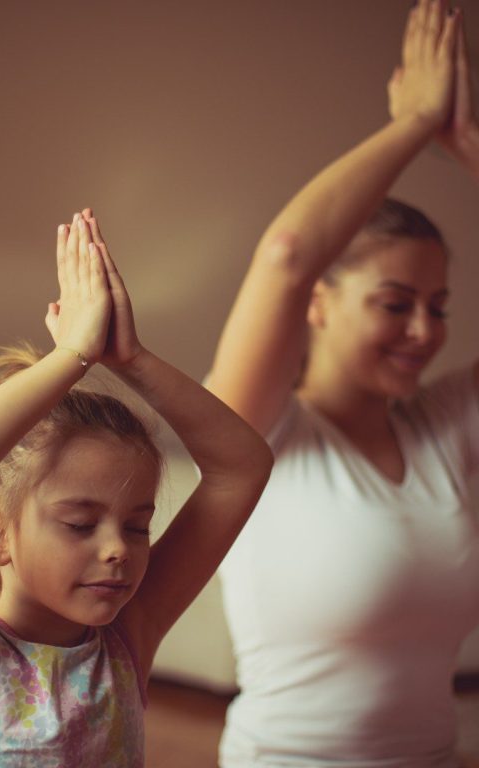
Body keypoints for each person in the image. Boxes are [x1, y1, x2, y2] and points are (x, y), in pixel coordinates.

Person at [206, 1, 479, 766]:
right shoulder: (253, 425)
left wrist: (463, 143)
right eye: (395, 305)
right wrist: (410, 126)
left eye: (439, 308)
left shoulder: (444, 425)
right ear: (320, 305)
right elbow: (289, 252)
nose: (423, 331)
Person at [0, 209, 272, 767]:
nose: (119, 547)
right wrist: (71, 355)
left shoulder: (127, 640)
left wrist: (132, 360)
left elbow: (243, 466)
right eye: (80, 523)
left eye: (138, 525)